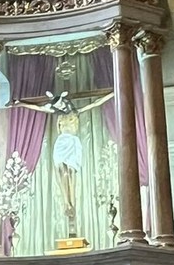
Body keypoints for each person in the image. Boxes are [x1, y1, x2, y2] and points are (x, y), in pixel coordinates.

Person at [12, 90, 113, 238]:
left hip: (72, 143)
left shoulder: (75, 112)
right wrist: (21, 103)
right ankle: (66, 202)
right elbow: (38, 108)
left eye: (62, 104)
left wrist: (112, 94)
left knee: (71, 173)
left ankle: (71, 202)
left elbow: (96, 103)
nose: (61, 107)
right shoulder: (57, 114)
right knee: (61, 171)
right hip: (61, 144)